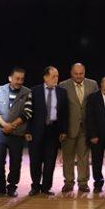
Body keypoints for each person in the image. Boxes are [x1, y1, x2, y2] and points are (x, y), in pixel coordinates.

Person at [0, 67, 33, 197]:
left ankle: (12, 187)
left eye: (22, 79)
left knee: (15, 162)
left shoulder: (27, 92)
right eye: (17, 78)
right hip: (1, 131)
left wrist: (12, 125)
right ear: (10, 78)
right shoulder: (0, 90)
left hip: (17, 132)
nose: (19, 81)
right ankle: (0, 187)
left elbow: (27, 113)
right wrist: (5, 125)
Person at [26, 66, 68, 196]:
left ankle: (46, 187)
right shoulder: (34, 91)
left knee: (50, 161)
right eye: (53, 76)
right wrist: (27, 131)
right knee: (35, 160)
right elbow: (28, 113)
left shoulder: (62, 92)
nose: (56, 79)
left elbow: (65, 113)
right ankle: (35, 186)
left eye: (57, 76)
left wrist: (64, 130)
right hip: (36, 131)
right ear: (45, 77)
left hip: (53, 131)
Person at [58, 63, 99, 193]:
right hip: (69, 128)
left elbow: (96, 106)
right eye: (76, 74)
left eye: (81, 73)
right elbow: (60, 109)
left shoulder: (93, 84)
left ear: (84, 72)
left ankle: (83, 183)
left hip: (86, 128)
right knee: (68, 157)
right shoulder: (63, 85)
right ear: (71, 73)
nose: (78, 76)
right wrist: (61, 129)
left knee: (84, 157)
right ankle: (68, 183)